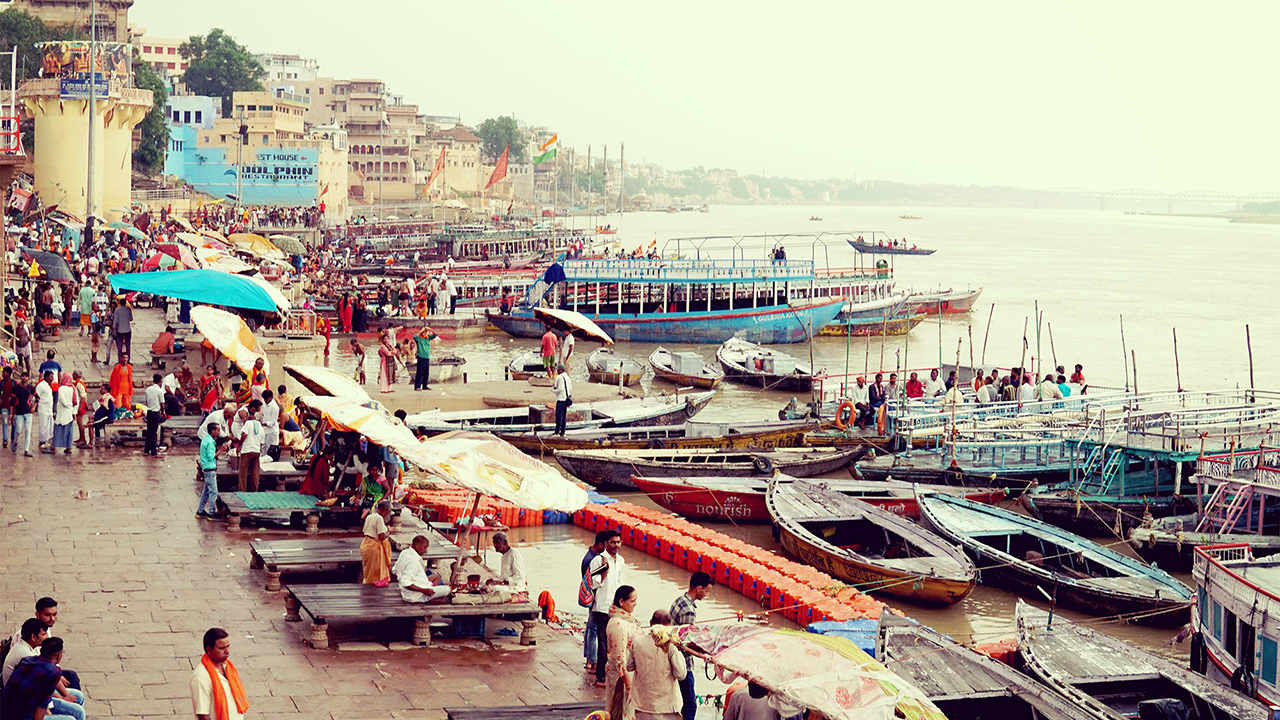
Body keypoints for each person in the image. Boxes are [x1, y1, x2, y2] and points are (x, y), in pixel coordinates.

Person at [1, 637, 82, 720]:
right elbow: (41, 705)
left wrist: (65, 697)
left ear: (40, 651)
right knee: (76, 715)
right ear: (59, 656)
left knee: (78, 697)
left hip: (5, 708)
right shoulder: (53, 672)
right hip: (22, 715)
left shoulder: (26, 660)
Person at [669, 572, 712, 720]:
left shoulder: (679, 600)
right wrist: (705, 653)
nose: (707, 594)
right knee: (690, 704)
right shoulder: (689, 610)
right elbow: (686, 641)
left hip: (672, 656)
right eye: (707, 591)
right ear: (699, 588)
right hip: (683, 662)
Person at [631, 610, 686, 720]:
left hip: (643, 705)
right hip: (666, 707)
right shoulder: (670, 645)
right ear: (667, 626)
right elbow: (681, 674)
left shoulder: (637, 641)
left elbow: (629, 666)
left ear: (651, 623)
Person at [588, 529, 626, 687]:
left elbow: (621, 582)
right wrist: (604, 573)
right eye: (612, 542)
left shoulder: (621, 560)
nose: (616, 545)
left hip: (616, 607)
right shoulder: (599, 560)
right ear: (606, 543)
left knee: (615, 643)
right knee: (603, 643)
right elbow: (592, 582)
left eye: (618, 542)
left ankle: (614, 673)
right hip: (602, 606)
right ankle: (601, 677)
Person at [190, 628, 249, 720]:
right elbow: (203, 715)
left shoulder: (228, 667)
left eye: (228, 646)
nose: (227, 651)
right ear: (209, 649)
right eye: (222, 648)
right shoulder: (201, 677)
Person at [605, 585, 641, 720]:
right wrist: (629, 684)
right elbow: (619, 658)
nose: (635, 604)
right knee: (620, 712)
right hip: (622, 677)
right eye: (632, 601)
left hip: (630, 674)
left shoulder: (626, 619)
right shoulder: (617, 624)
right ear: (621, 602)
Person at [393, 535, 451, 602]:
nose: (426, 550)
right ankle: (428, 598)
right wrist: (423, 590)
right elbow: (405, 582)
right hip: (416, 595)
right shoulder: (413, 562)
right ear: (417, 545)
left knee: (437, 576)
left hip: (412, 588)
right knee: (448, 589)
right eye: (424, 547)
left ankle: (432, 593)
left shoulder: (404, 552)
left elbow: (394, 570)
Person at [581, 533, 607, 674]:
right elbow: (592, 582)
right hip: (594, 599)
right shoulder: (593, 559)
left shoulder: (589, 556)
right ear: (602, 544)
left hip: (592, 599)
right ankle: (592, 660)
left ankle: (589, 659)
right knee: (593, 630)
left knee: (591, 628)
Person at [2, 619, 47, 685]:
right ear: (33, 637)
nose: (47, 637)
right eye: (44, 635)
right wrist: (62, 696)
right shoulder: (25, 655)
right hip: (17, 693)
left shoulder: (24, 646)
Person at [360, 500, 393, 586]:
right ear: (385, 510)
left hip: (366, 544)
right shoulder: (379, 518)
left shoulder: (370, 516)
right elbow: (381, 537)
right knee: (375, 573)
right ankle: (372, 592)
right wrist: (389, 531)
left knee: (368, 572)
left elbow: (366, 532)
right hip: (374, 548)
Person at [236, 402, 264, 492]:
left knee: (243, 472)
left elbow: (244, 435)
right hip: (256, 451)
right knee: (255, 473)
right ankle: (255, 490)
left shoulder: (248, 423)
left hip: (247, 451)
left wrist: (240, 445)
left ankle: (242, 490)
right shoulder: (260, 427)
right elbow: (261, 441)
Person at [197, 424, 222, 519]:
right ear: (212, 431)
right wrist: (221, 450)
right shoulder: (210, 442)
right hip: (210, 468)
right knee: (213, 492)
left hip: (206, 468)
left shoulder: (205, 439)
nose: (219, 432)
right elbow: (211, 456)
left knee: (206, 491)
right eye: (218, 430)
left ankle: (200, 510)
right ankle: (211, 512)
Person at [9, 373, 33, 457]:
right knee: (18, 430)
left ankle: (26, 450)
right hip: (18, 412)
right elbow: (12, 401)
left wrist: (34, 407)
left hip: (28, 411)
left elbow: (37, 398)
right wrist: (11, 413)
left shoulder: (30, 388)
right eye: (23, 376)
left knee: (28, 431)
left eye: (26, 376)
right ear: (20, 377)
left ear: (28, 378)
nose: (24, 378)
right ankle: (15, 442)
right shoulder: (16, 388)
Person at [52, 373, 75, 455]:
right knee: (69, 431)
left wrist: (67, 405)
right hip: (69, 414)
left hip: (62, 412)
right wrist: (71, 408)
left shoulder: (61, 388)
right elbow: (76, 401)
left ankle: (53, 447)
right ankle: (68, 447)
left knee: (57, 430)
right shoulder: (72, 388)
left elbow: (62, 400)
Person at [143, 373, 165, 457]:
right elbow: (162, 403)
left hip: (149, 412)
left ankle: (146, 450)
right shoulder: (159, 391)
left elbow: (146, 402)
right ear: (160, 381)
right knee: (153, 432)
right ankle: (153, 450)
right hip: (156, 412)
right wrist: (163, 412)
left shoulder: (148, 389)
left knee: (149, 431)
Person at [34, 371, 55, 454]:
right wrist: (34, 406)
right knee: (43, 425)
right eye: (51, 377)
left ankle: (47, 441)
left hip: (49, 409)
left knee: (49, 426)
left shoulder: (49, 385)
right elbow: (37, 397)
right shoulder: (40, 385)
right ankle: (42, 442)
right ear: (46, 377)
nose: (52, 378)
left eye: (52, 377)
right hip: (43, 409)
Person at [413, 326, 438, 391]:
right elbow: (414, 336)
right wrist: (421, 330)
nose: (424, 333)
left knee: (426, 372)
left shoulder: (427, 338)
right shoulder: (418, 338)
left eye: (425, 332)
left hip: (427, 357)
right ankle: (417, 386)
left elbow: (436, 334)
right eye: (423, 332)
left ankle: (425, 386)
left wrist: (429, 329)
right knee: (420, 372)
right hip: (421, 356)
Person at [259, 389, 280, 463]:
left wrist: (264, 423)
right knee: (263, 448)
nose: (265, 400)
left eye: (266, 398)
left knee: (270, 450)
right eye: (264, 399)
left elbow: (273, 422)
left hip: (271, 431)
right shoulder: (264, 404)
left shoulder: (275, 407)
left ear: (271, 397)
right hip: (264, 430)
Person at [111, 297, 132, 363]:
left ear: (119, 303)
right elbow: (131, 318)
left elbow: (115, 321)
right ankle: (128, 360)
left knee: (119, 346)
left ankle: (119, 360)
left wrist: (114, 329)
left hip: (120, 330)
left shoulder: (117, 310)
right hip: (127, 329)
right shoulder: (128, 310)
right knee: (128, 346)